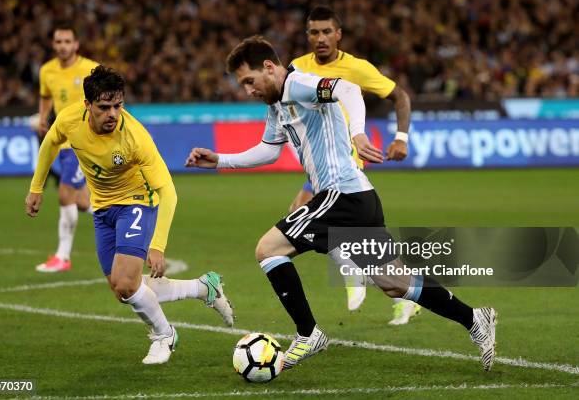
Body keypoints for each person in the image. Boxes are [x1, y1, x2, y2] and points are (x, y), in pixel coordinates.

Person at [185, 36, 496, 371]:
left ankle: (308, 334)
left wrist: (359, 134)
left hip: (341, 195)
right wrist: (220, 160)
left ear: (269, 67)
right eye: (242, 85)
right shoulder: (276, 106)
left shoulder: (300, 85)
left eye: (249, 81)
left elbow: (347, 90)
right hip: (356, 199)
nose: (248, 91)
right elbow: (268, 150)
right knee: (395, 284)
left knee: (268, 249)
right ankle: (475, 318)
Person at [26, 66, 234, 364]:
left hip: (137, 201)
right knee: (123, 289)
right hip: (102, 209)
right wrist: (37, 188)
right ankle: (203, 287)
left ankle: (165, 335)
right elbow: (50, 142)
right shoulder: (70, 119)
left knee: (126, 283)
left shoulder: (135, 137)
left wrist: (158, 245)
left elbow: (169, 192)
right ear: (87, 105)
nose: (113, 113)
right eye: (104, 107)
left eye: (117, 105)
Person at [289, 6, 419, 322]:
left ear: (339, 34)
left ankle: (351, 272)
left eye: (326, 32)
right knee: (370, 246)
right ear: (307, 36)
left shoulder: (356, 68)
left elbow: (400, 96)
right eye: (314, 32)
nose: (320, 38)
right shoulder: (296, 68)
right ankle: (407, 294)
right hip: (317, 163)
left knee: (299, 218)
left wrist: (401, 136)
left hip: (343, 162)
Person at [35, 24, 98, 272]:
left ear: (76, 45)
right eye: (58, 41)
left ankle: (63, 257)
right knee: (83, 202)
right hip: (62, 140)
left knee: (65, 194)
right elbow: (45, 96)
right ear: (53, 44)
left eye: (67, 41)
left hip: (83, 140)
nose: (63, 46)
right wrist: (42, 117)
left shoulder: (90, 68)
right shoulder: (46, 71)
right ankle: (119, 217)